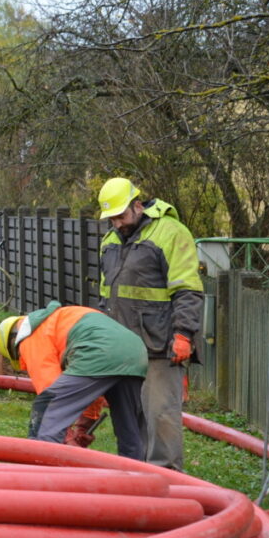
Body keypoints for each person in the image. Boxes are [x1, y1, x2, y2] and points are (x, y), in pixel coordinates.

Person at [97, 177, 203, 471]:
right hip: (123, 347)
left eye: (121, 215)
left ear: (138, 205)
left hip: (161, 345)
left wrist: (183, 334)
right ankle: (138, 477)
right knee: (131, 418)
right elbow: (107, 296)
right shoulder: (110, 242)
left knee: (161, 417)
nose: (117, 223)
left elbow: (188, 290)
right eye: (111, 218)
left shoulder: (170, 233)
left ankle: (168, 482)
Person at [0, 301, 148, 460]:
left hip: (100, 351)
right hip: (135, 352)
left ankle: (42, 468)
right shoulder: (60, 320)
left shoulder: (31, 336)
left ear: (13, 343)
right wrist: (84, 427)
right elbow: (92, 387)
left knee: (45, 408)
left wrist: (67, 437)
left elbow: (50, 392)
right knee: (130, 430)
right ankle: (137, 476)